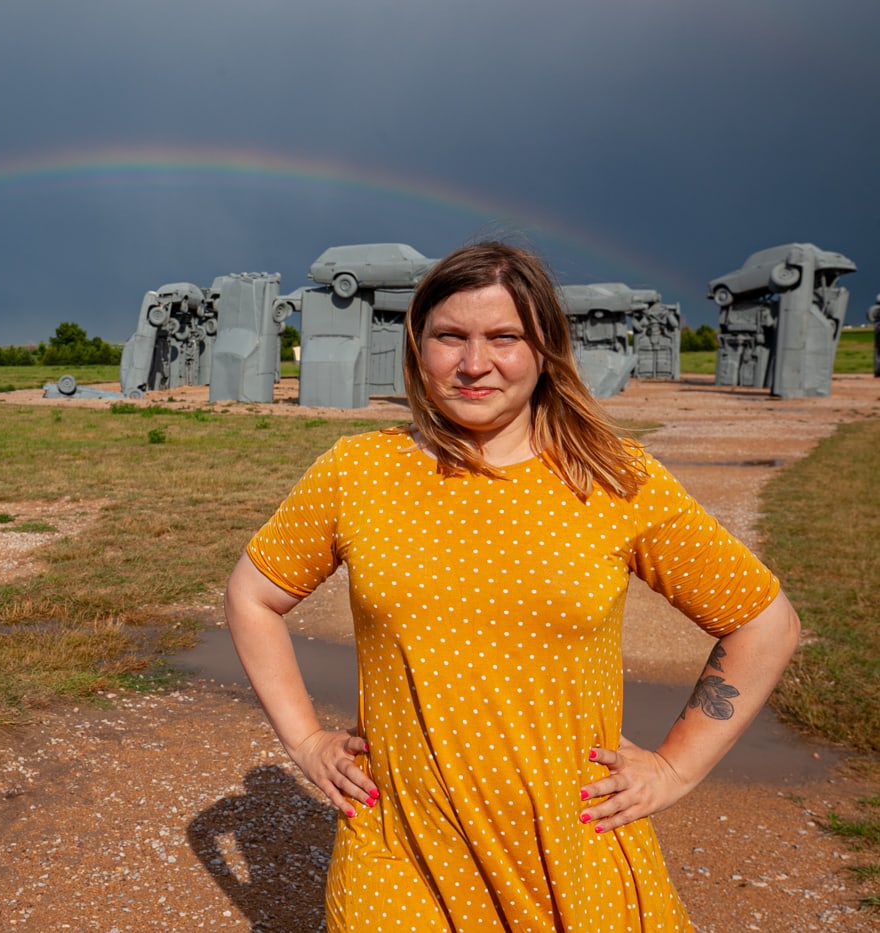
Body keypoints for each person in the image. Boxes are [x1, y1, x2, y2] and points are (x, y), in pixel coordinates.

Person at [224, 241, 800, 931]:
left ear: (545, 350)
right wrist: (306, 740)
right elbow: (251, 596)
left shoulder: (613, 477)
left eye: (505, 337)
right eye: (450, 337)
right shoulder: (359, 471)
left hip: (570, 853)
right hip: (398, 851)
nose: (474, 363)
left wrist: (674, 770)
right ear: (418, 347)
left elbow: (765, 622)